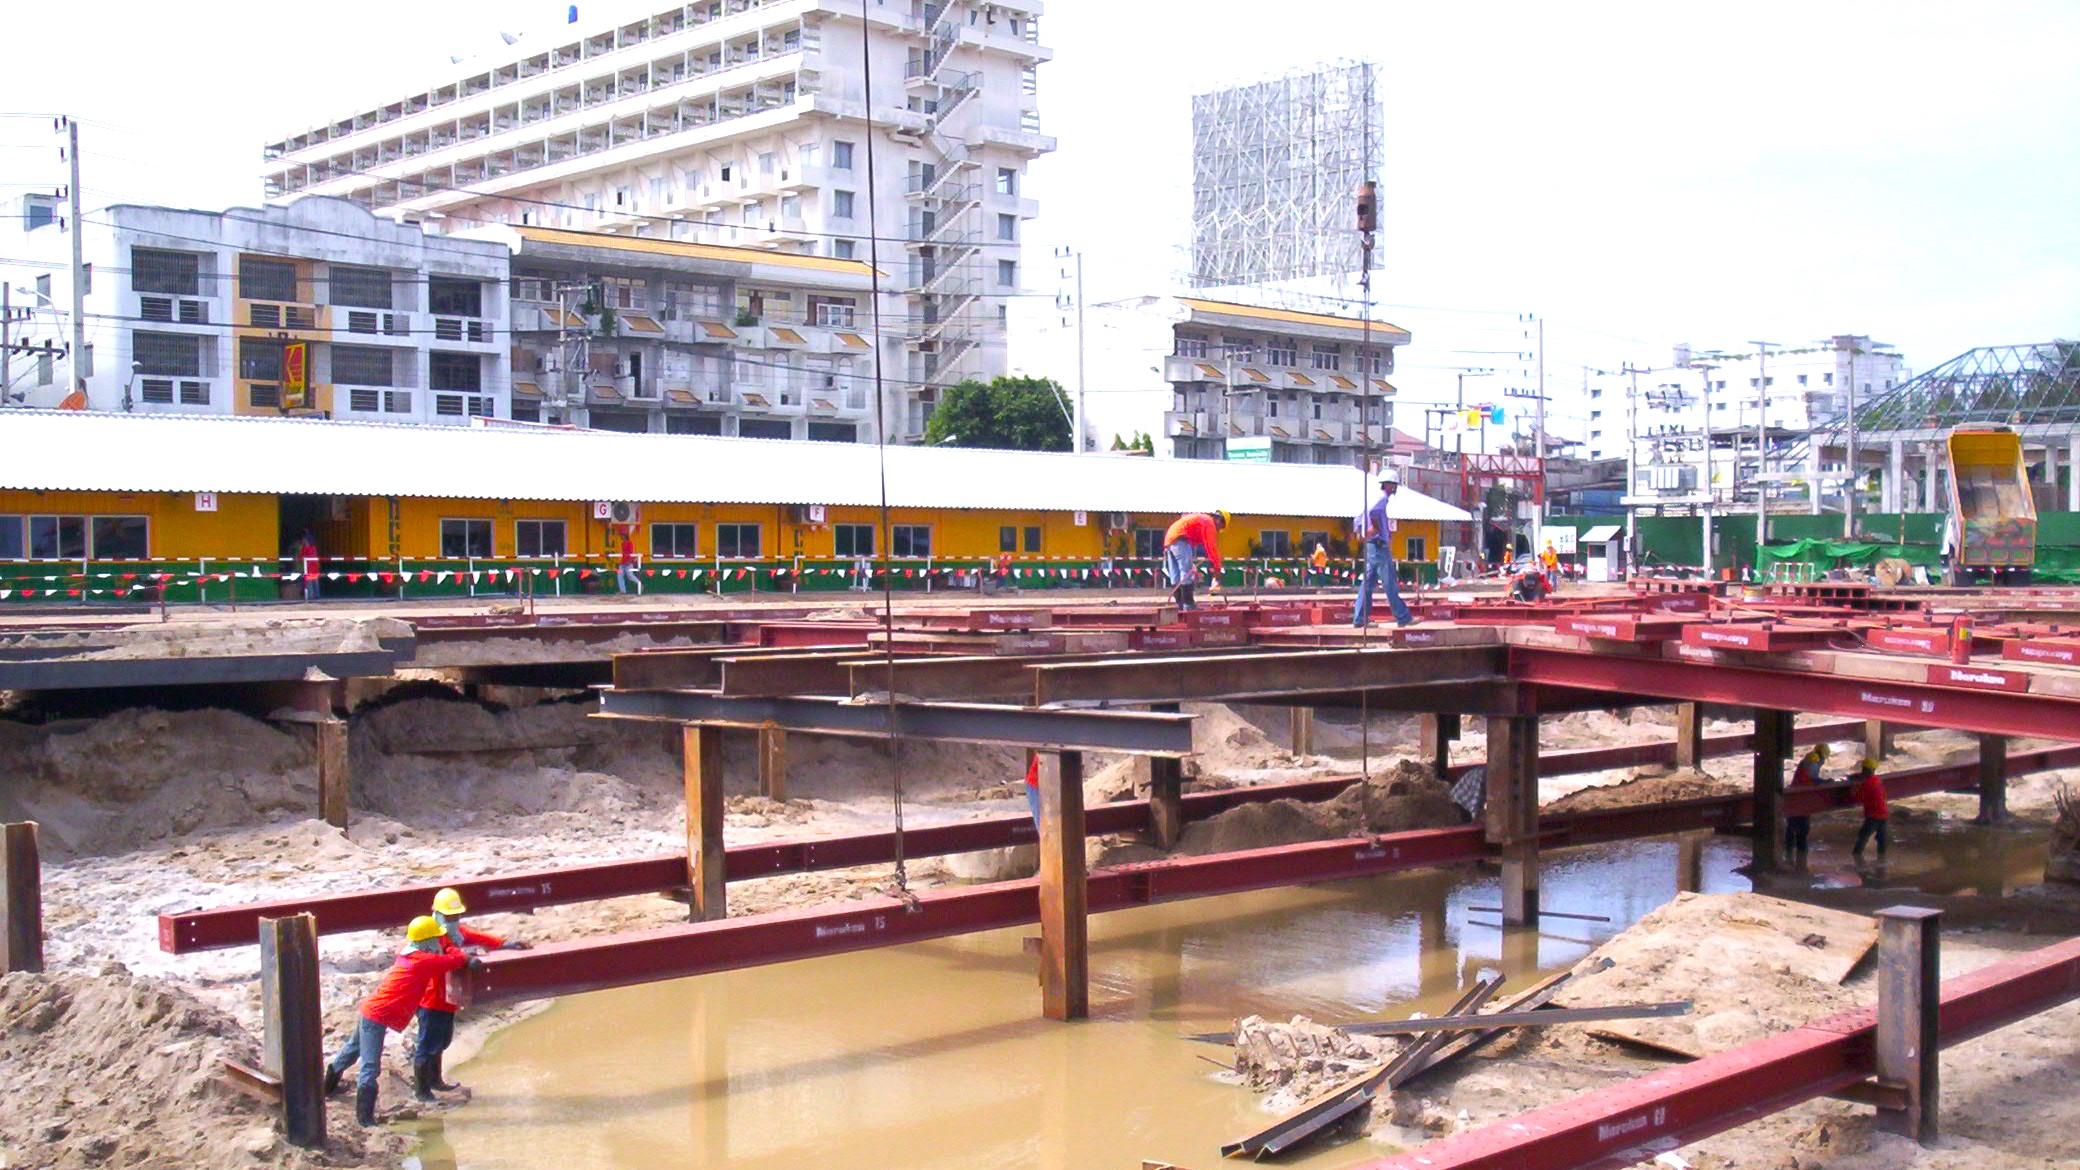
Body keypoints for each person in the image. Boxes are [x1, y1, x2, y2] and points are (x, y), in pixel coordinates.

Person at [324, 916, 477, 1126]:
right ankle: (365, 1119)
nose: (437, 942)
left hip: (371, 1009)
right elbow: (455, 961)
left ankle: (328, 1087)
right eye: (435, 938)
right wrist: (458, 952)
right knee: (370, 1066)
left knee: (352, 1049)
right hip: (377, 1015)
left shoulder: (409, 952)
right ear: (426, 941)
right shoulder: (423, 960)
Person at [413, 888, 524, 1100]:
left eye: (455, 916)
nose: (452, 920)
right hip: (429, 1001)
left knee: (442, 1041)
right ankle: (422, 1091)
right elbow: (447, 954)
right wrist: (465, 958)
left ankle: (435, 1080)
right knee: (427, 1045)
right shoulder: (430, 937)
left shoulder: (455, 934)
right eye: (449, 916)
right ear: (436, 913)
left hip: (446, 999)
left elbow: (475, 936)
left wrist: (503, 943)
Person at [1353, 470, 1414, 628]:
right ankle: (1403, 616)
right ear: (1387, 484)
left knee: (1367, 584)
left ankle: (1360, 619)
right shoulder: (1381, 499)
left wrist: (1364, 534)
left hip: (1371, 545)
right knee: (1389, 583)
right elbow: (1374, 513)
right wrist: (1377, 530)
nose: (1394, 488)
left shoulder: (1371, 498)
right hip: (1378, 545)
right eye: (1393, 485)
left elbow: (1358, 520)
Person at [1162, 510, 1227, 611]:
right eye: (1221, 527)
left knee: (1175, 575)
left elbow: (1204, 543)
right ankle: (1188, 605)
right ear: (1219, 520)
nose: (1218, 530)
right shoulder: (1209, 523)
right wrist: (1217, 567)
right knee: (1186, 571)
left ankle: (1180, 605)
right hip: (1180, 539)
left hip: (1170, 539)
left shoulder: (1203, 520)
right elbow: (1211, 546)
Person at [1785, 743, 1830, 863]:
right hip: (1801, 797)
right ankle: (1800, 858)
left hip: (1796, 796)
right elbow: (1813, 778)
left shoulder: (1809, 758)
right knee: (1801, 828)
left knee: (1792, 827)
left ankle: (1790, 855)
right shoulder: (1813, 759)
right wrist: (1825, 782)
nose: (1824, 761)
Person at [1850, 756, 1888, 859]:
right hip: (1884, 814)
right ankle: (1882, 861)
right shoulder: (1877, 780)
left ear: (1864, 770)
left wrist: (1853, 787)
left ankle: (1856, 858)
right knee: (1882, 839)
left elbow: (1856, 799)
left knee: (1862, 837)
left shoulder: (1867, 784)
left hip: (1873, 816)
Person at [297, 531, 321, 602]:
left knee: (314, 582)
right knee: (309, 583)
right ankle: (310, 597)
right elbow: (301, 556)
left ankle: (316, 596)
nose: (303, 541)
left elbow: (310, 556)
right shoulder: (304, 548)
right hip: (308, 568)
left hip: (314, 567)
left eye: (304, 539)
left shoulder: (312, 548)